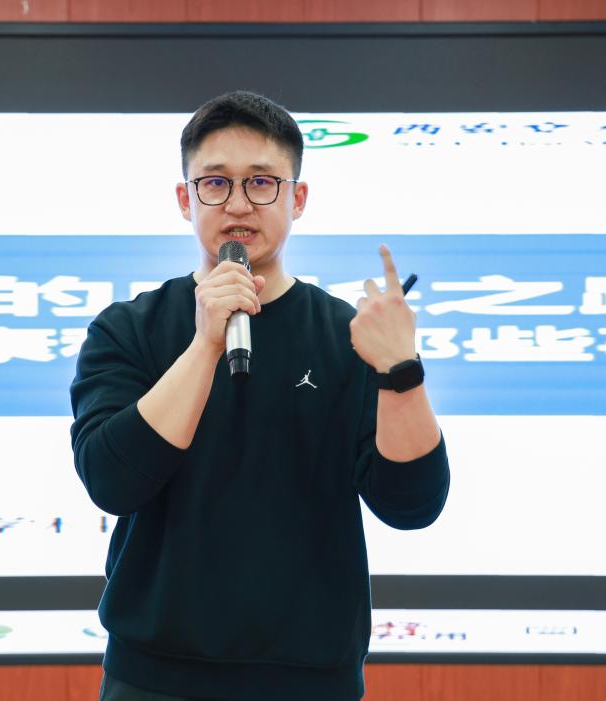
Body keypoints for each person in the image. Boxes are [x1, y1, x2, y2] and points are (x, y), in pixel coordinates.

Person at [70, 90, 450, 701]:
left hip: (311, 678)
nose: (239, 203)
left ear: (297, 198)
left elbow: (411, 506)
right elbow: (112, 483)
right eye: (215, 183)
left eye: (262, 182)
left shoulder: (345, 335)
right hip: (154, 677)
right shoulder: (128, 329)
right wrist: (206, 343)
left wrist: (401, 371)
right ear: (185, 199)